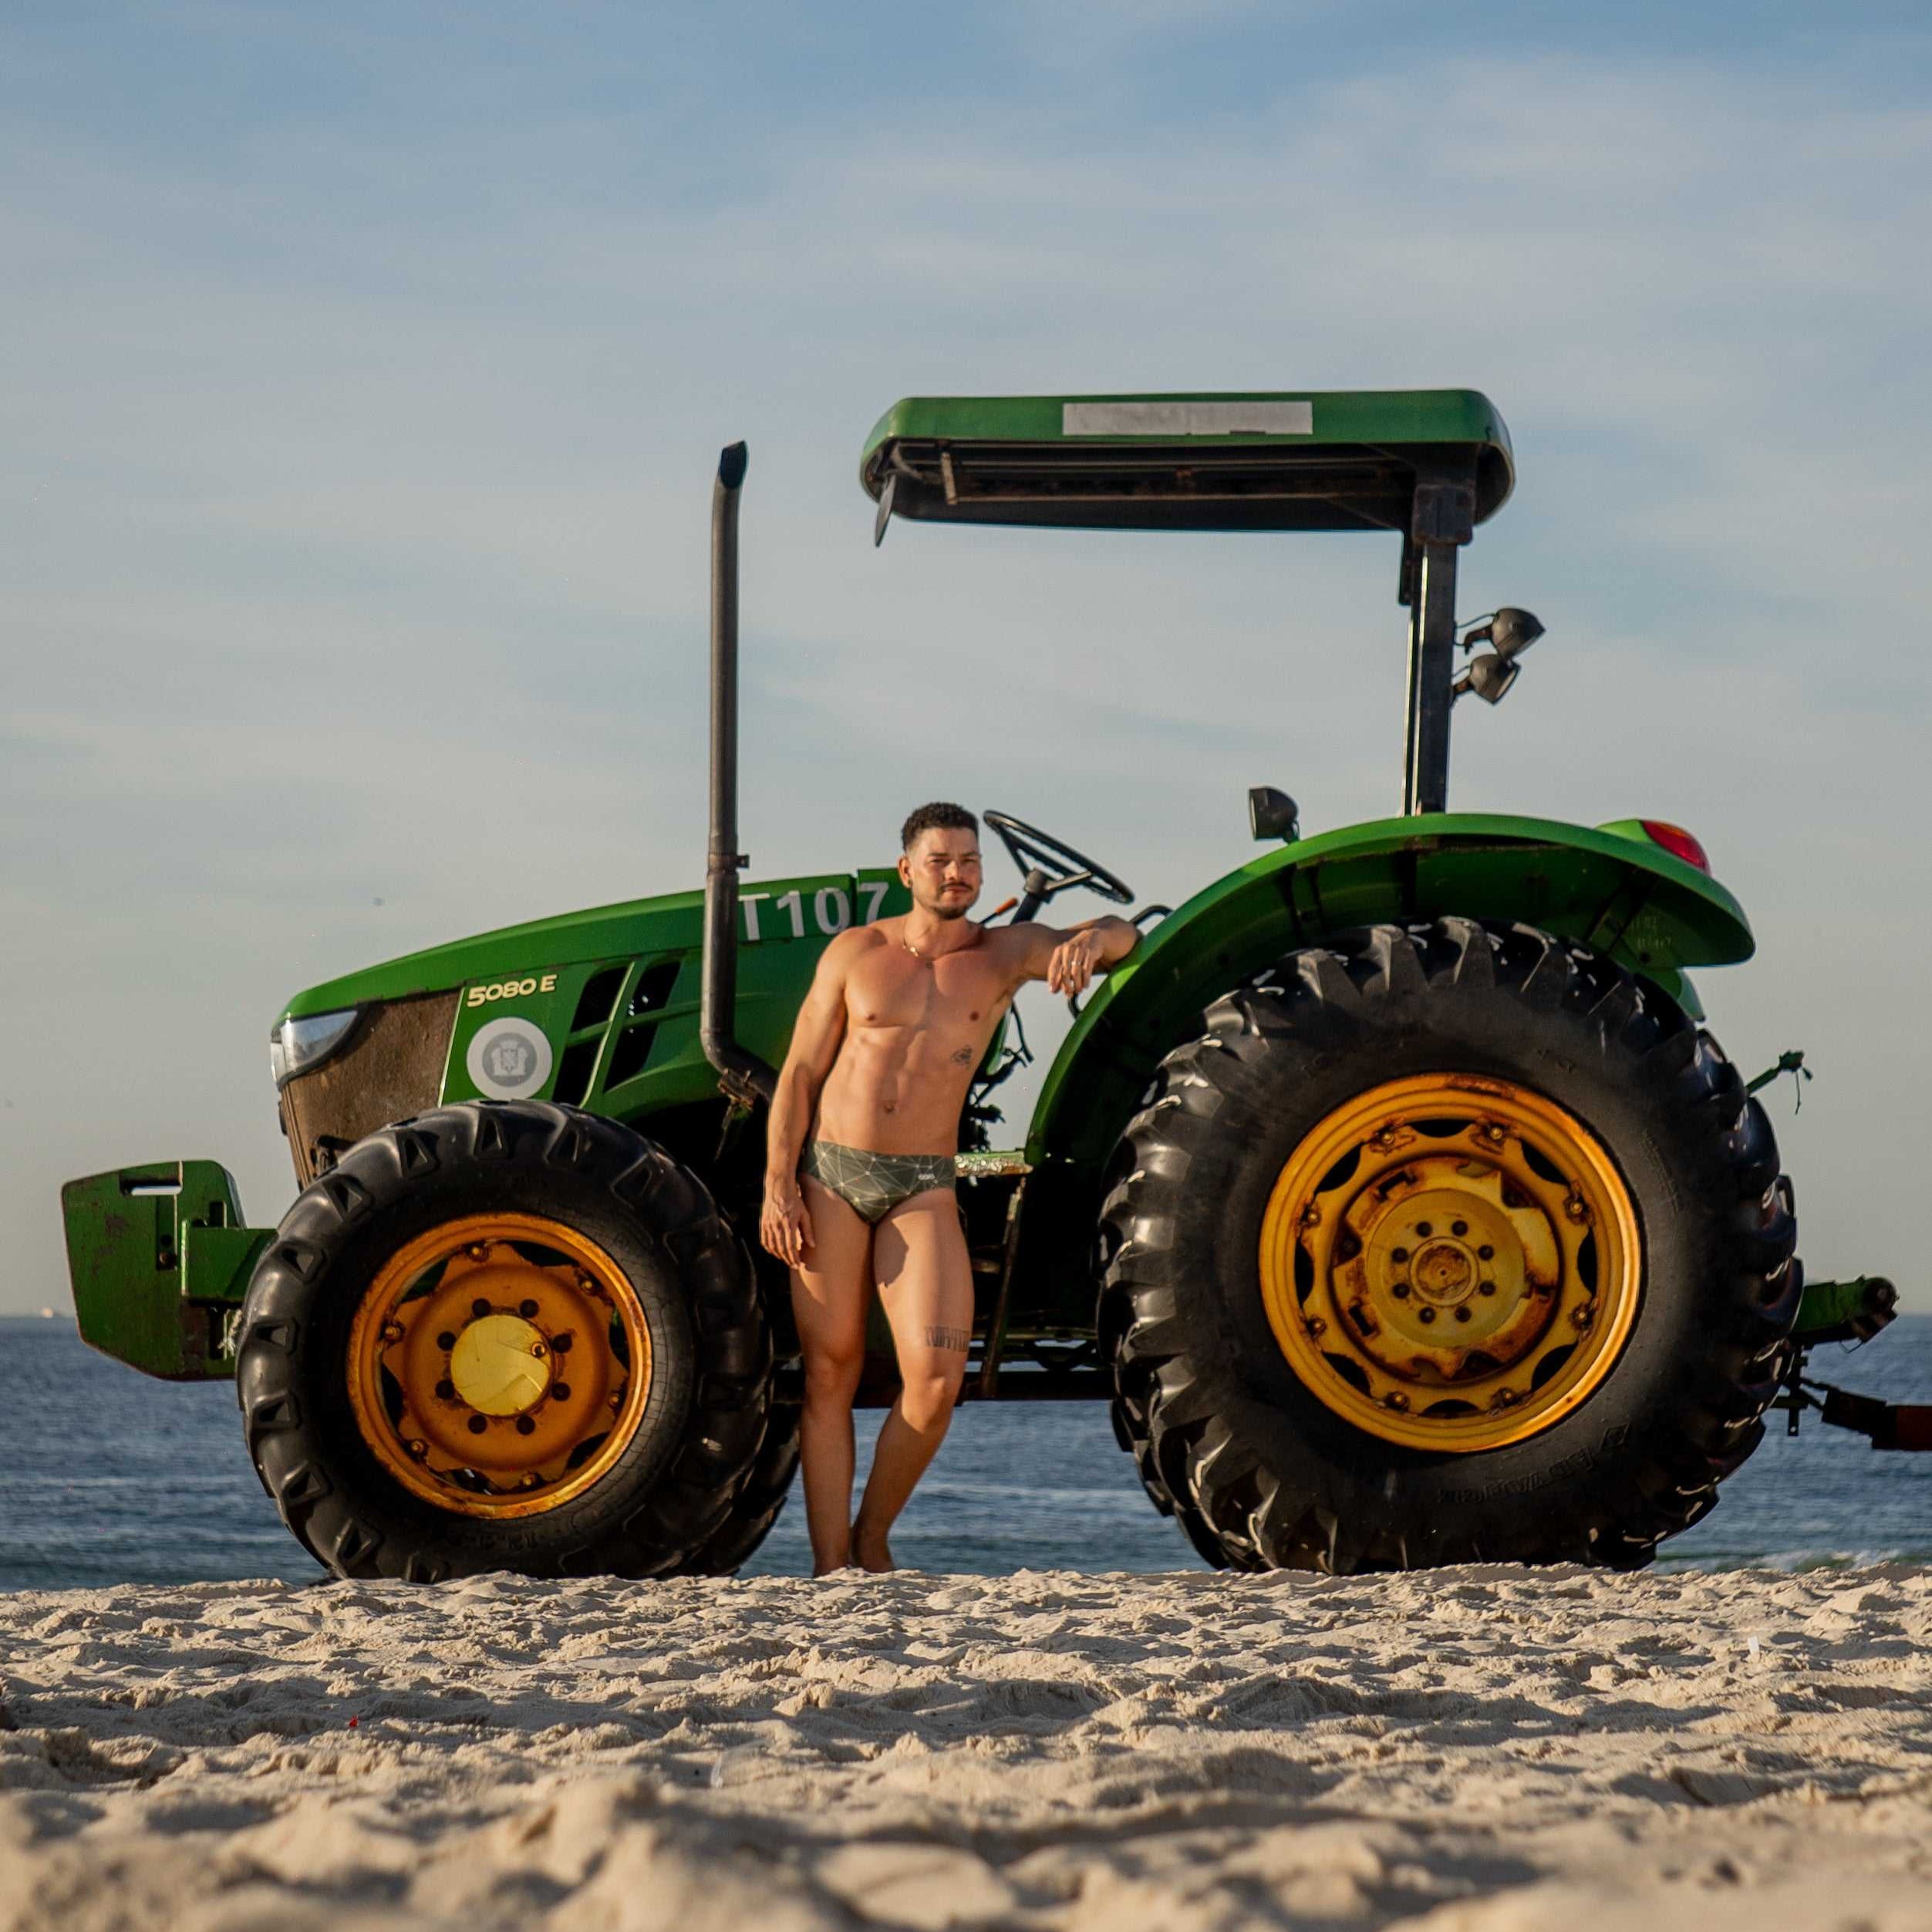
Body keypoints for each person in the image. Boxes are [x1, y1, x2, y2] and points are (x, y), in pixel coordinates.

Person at [760, 802, 1140, 1574]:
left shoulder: (1004, 954)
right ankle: (831, 1568)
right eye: (940, 860)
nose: (957, 873)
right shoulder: (856, 952)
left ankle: (872, 1538)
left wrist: (1093, 939)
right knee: (829, 1372)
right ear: (908, 870)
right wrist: (778, 1186)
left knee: (935, 1383)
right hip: (832, 1176)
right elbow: (799, 1073)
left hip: (922, 1186)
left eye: (969, 860)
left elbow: (1122, 933)